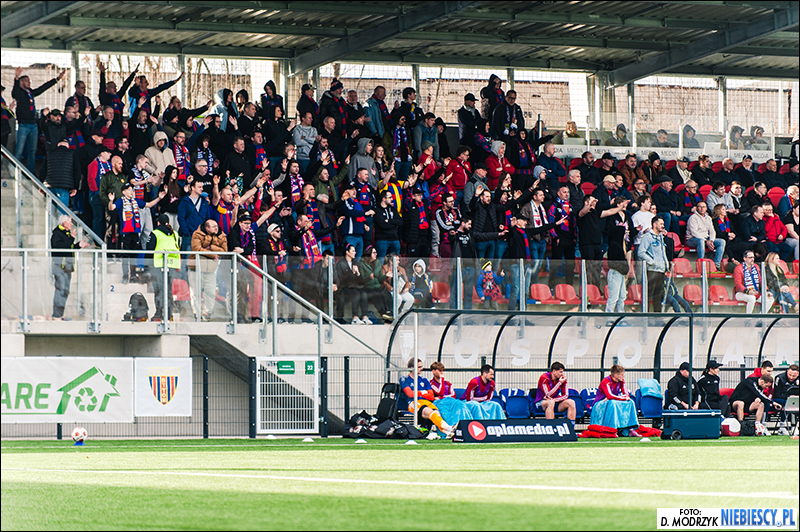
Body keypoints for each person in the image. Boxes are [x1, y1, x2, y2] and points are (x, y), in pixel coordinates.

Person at [107, 183, 166, 283]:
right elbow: (111, 207)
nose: (131, 192)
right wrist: (111, 200)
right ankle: (125, 275)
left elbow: (148, 205)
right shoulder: (121, 201)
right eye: (129, 190)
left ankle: (133, 275)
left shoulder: (135, 201)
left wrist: (159, 198)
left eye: (132, 190)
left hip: (135, 232)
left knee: (134, 254)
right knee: (126, 255)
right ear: (123, 192)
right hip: (125, 232)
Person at [13, 67, 66, 173]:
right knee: (19, 150)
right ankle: (16, 172)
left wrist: (56, 80)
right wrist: (16, 78)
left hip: (33, 124)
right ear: (21, 82)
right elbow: (14, 92)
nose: (29, 82)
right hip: (23, 125)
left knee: (32, 150)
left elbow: (42, 88)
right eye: (27, 80)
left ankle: (31, 172)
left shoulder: (30, 92)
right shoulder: (19, 93)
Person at [399, 359, 455, 438]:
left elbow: (431, 396)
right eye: (419, 367)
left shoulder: (424, 380)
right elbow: (410, 394)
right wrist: (423, 392)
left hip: (426, 402)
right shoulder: (404, 379)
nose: (421, 369)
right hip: (414, 403)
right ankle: (449, 428)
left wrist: (418, 392)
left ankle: (448, 433)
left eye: (421, 366)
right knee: (430, 412)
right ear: (412, 367)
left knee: (437, 414)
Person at [50, 216, 90, 319]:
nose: (72, 224)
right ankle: (56, 315)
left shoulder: (66, 234)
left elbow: (69, 247)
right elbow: (60, 248)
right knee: (60, 290)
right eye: (70, 222)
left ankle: (60, 314)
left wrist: (78, 245)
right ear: (64, 223)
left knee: (65, 291)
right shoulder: (57, 234)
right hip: (60, 267)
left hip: (67, 267)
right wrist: (71, 238)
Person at [146, 214, 180, 322]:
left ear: (158, 222)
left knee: (158, 290)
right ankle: (169, 314)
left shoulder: (155, 233)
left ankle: (159, 313)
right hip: (172, 265)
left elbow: (149, 250)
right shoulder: (175, 234)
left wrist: (146, 266)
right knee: (168, 290)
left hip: (158, 265)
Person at [591, 364, 641, 437]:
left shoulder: (621, 381)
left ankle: (630, 429)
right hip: (600, 404)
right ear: (616, 375)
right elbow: (609, 396)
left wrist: (620, 397)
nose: (623, 376)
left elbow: (627, 395)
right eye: (621, 375)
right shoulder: (606, 381)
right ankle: (612, 430)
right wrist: (622, 398)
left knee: (630, 402)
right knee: (612, 403)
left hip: (612, 401)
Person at [548, 184, 577, 289]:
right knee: (555, 264)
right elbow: (550, 223)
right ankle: (551, 286)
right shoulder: (554, 206)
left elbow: (574, 223)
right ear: (558, 193)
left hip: (569, 239)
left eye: (567, 192)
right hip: (559, 239)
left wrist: (574, 237)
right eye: (564, 192)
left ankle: (570, 286)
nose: (566, 194)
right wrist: (555, 237)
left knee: (570, 265)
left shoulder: (571, 207)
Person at [638, 216, 668, 312]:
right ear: (655, 225)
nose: (663, 226)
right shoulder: (647, 236)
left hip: (661, 270)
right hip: (652, 270)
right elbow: (641, 252)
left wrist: (666, 265)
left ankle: (657, 317)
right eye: (661, 224)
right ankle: (645, 315)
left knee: (658, 296)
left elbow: (663, 252)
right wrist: (652, 262)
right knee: (648, 294)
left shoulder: (660, 237)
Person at [333, 243, 369, 324]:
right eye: (353, 251)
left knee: (364, 293)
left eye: (355, 251)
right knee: (356, 294)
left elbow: (361, 280)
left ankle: (365, 317)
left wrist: (358, 273)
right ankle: (355, 317)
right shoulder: (340, 264)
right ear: (347, 252)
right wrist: (352, 273)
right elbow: (342, 280)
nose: (355, 253)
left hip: (355, 287)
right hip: (344, 288)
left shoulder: (356, 263)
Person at [687, 201, 726, 270]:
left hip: (706, 239)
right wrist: (706, 241)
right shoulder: (692, 218)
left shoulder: (708, 218)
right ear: (697, 208)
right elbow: (694, 233)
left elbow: (712, 231)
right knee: (701, 241)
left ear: (706, 208)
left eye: (703, 207)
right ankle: (701, 264)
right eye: (700, 207)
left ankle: (716, 264)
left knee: (721, 241)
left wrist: (711, 241)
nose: (702, 208)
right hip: (693, 239)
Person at [733, 249, 774, 314]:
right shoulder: (738, 268)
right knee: (752, 298)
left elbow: (760, 280)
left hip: (755, 292)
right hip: (741, 293)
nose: (752, 259)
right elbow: (738, 285)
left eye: (753, 257)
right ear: (744, 258)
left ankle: (761, 316)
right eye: (750, 257)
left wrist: (766, 291)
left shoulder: (756, 267)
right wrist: (748, 292)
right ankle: (748, 317)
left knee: (770, 299)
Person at [773, 364, 799, 430]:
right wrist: (789, 397)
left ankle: (795, 425)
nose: (791, 377)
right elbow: (776, 394)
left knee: (794, 402)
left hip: (796, 399)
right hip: (781, 399)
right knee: (789, 403)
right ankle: (783, 426)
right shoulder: (779, 378)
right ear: (787, 371)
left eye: (794, 376)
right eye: (790, 375)